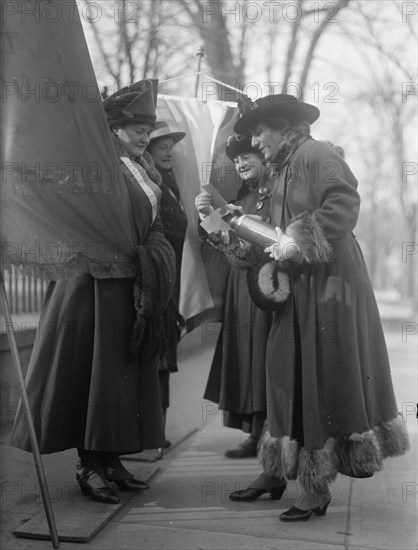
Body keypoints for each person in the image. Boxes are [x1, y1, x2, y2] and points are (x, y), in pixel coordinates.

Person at [220, 93, 410, 520]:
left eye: (258, 132)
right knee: (285, 372)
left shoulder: (316, 153)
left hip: (330, 286)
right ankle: (278, 470)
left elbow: (344, 205)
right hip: (301, 285)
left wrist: (299, 238)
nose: (255, 141)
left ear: (283, 126)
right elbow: (277, 231)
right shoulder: (283, 166)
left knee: (318, 377)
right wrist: (241, 227)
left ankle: (314, 485)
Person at [10, 79, 176, 505]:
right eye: (137, 127)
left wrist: (153, 256)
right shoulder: (95, 166)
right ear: (114, 128)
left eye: (148, 127)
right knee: (93, 376)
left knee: (117, 378)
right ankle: (88, 464)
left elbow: (153, 225)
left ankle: (110, 458)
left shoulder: (145, 171)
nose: (145, 135)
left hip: (129, 287)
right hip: (89, 288)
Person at [195, 135, 287, 500]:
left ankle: (267, 434)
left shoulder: (277, 191)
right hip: (242, 289)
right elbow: (228, 240)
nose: (240, 164)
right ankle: (255, 432)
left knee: (268, 363)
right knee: (248, 361)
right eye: (236, 160)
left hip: (269, 289)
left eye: (246, 156)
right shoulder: (241, 193)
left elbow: (267, 241)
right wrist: (209, 217)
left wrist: (226, 214)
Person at [147, 121, 188, 450]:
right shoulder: (148, 184)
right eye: (161, 144)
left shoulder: (169, 183)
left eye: (170, 145)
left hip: (171, 283)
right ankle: (150, 436)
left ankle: (156, 434)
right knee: (155, 357)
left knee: (165, 358)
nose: (167, 150)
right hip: (154, 283)